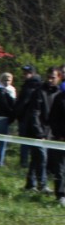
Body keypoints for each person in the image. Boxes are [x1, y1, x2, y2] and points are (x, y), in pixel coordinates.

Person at [19, 67, 58, 192]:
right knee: (42, 157)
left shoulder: (57, 94)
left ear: (59, 78)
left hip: (49, 131)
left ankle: (30, 184)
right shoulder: (39, 92)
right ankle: (43, 185)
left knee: (36, 158)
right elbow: (34, 113)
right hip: (36, 130)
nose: (51, 80)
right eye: (49, 77)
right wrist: (39, 132)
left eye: (53, 77)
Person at [17, 65, 42, 171]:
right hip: (30, 118)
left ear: (32, 73)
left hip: (27, 118)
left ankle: (24, 163)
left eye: (26, 72)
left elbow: (23, 102)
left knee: (26, 142)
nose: (24, 74)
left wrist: (17, 114)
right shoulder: (30, 85)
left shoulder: (31, 86)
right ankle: (29, 163)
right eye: (24, 72)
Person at [47, 68, 65, 206]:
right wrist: (58, 134)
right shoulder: (59, 97)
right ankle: (60, 195)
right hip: (60, 138)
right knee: (60, 169)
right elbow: (52, 118)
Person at [0, 72, 16, 167]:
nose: (7, 82)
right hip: (2, 117)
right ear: (1, 80)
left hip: (1, 117)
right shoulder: (0, 90)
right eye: (5, 80)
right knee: (0, 142)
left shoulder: (9, 90)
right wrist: (11, 113)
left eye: (9, 80)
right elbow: (4, 105)